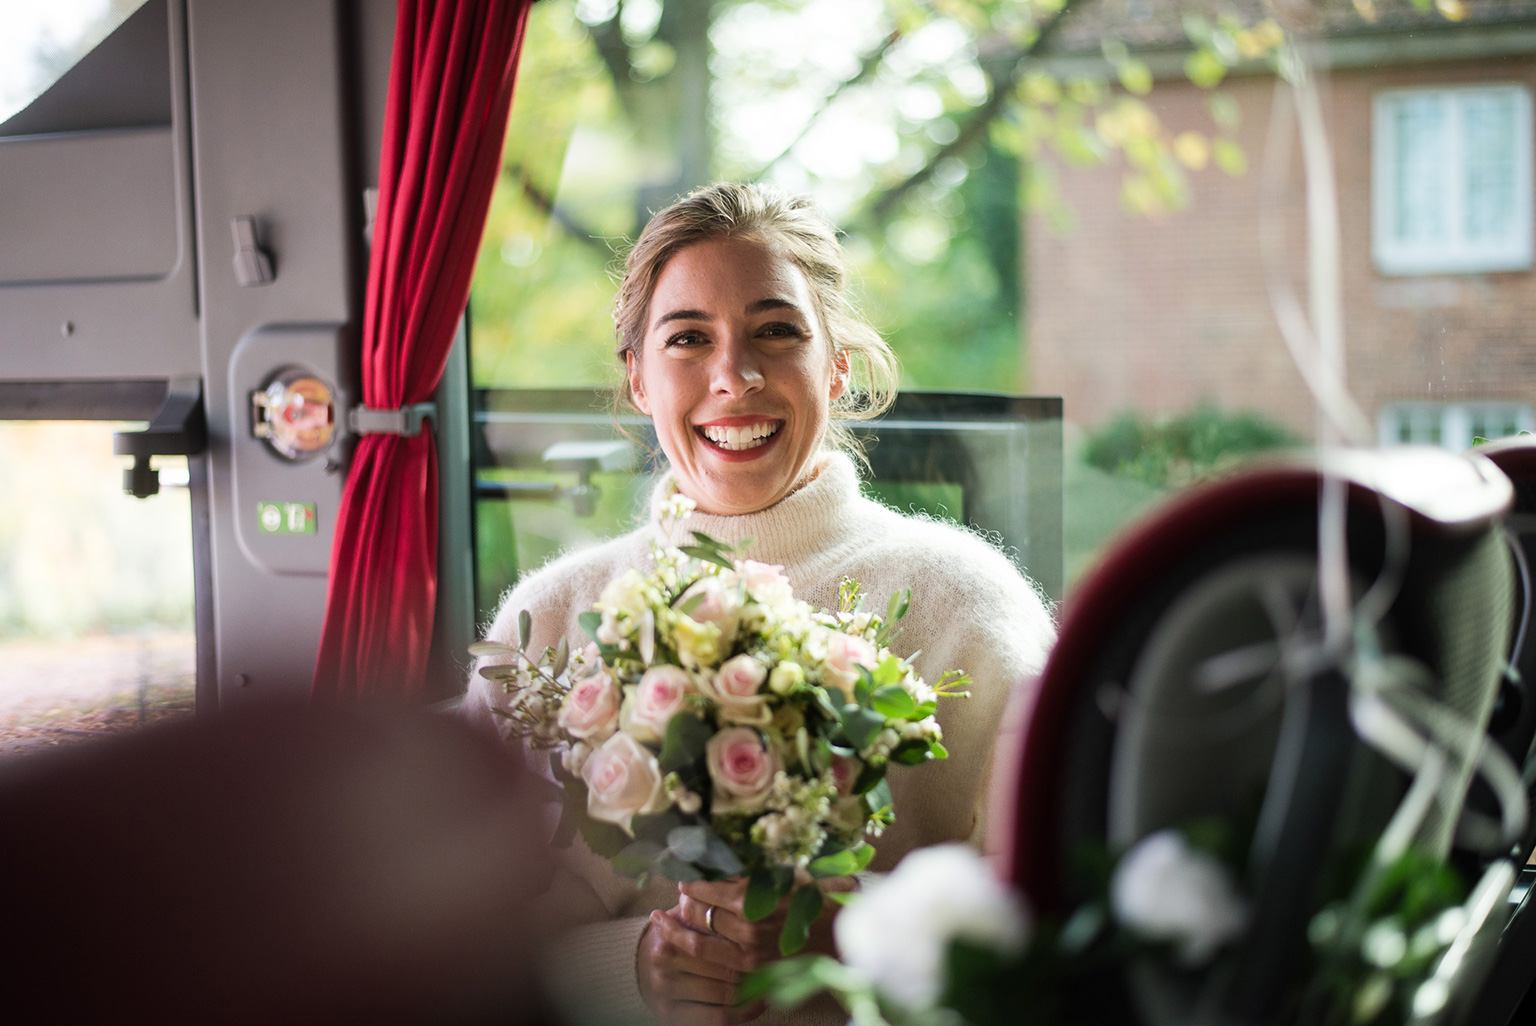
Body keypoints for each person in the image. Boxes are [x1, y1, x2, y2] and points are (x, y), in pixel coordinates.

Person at [461, 182, 1056, 1025]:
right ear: (636, 379)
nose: (733, 376)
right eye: (688, 339)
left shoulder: (969, 606)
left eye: (776, 332)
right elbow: (462, 948)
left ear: (837, 365)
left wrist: (852, 949)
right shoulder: (551, 619)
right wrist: (632, 970)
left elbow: (1044, 932)